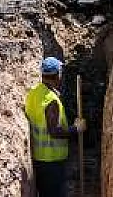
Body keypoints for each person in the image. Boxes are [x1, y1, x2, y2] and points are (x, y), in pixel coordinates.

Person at [25, 57, 86, 197]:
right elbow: (54, 131)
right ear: (58, 74)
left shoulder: (34, 92)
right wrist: (76, 129)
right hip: (51, 160)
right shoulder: (51, 101)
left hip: (39, 157)